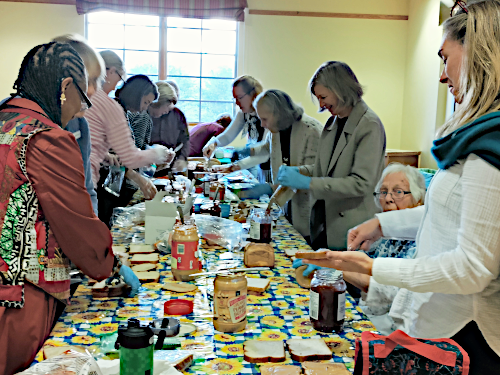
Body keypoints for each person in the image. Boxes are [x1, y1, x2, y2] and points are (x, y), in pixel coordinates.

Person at [301, 1, 500, 372]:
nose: (442, 75)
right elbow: (452, 212)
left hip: (465, 336)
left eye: (445, 58)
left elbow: (472, 268)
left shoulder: (491, 145)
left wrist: (378, 269)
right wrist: (383, 224)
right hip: (441, 325)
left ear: (479, 55)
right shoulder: (479, 137)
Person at [0, 42, 139, 375]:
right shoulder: (48, 138)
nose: (81, 111)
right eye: (83, 99)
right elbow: (78, 228)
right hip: (20, 301)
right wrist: (112, 265)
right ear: (65, 88)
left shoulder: (6, 120)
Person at [296, 163, 426, 334]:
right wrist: (327, 257)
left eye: (398, 192)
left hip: (394, 330)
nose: (388, 198)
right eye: (384, 192)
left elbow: (391, 292)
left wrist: (334, 266)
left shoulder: (422, 241)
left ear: (418, 199)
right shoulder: (384, 234)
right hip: (368, 317)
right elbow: (360, 259)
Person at [277, 61, 386, 250]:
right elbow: (325, 170)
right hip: (324, 224)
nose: (321, 104)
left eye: (323, 97)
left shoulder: (369, 125)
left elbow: (361, 183)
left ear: (340, 89)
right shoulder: (333, 123)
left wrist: (307, 183)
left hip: (352, 229)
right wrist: (299, 172)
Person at [217, 90, 322, 238]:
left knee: (304, 242)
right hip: (287, 207)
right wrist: (242, 152)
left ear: (280, 114)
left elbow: (316, 171)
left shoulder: (311, 131)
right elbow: (267, 148)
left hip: (307, 206)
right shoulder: (277, 128)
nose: (262, 124)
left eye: (265, 119)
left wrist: (270, 188)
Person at [94, 74, 167, 227]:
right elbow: (118, 155)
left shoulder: (122, 111)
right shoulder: (113, 110)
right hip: (102, 180)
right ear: (136, 95)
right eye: (145, 102)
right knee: (105, 226)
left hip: (110, 180)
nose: (145, 108)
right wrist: (139, 178)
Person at [51, 34, 104, 215]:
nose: (92, 90)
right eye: (86, 80)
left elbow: (86, 191)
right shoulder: (19, 121)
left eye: (96, 80)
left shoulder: (79, 125)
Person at [202, 75, 271, 183]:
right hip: (258, 165)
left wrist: (233, 167)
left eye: (239, 97)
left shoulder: (267, 114)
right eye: (234, 99)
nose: (237, 103)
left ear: (253, 95)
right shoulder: (244, 113)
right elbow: (228, 135)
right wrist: (213, 143)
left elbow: (264, 153)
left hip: (272, 167)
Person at [148, 81, 190, 173]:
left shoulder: (178, 115)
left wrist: (182, 159)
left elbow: (185, 140)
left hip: (169, 167)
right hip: (147, 164)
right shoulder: (146, 114)